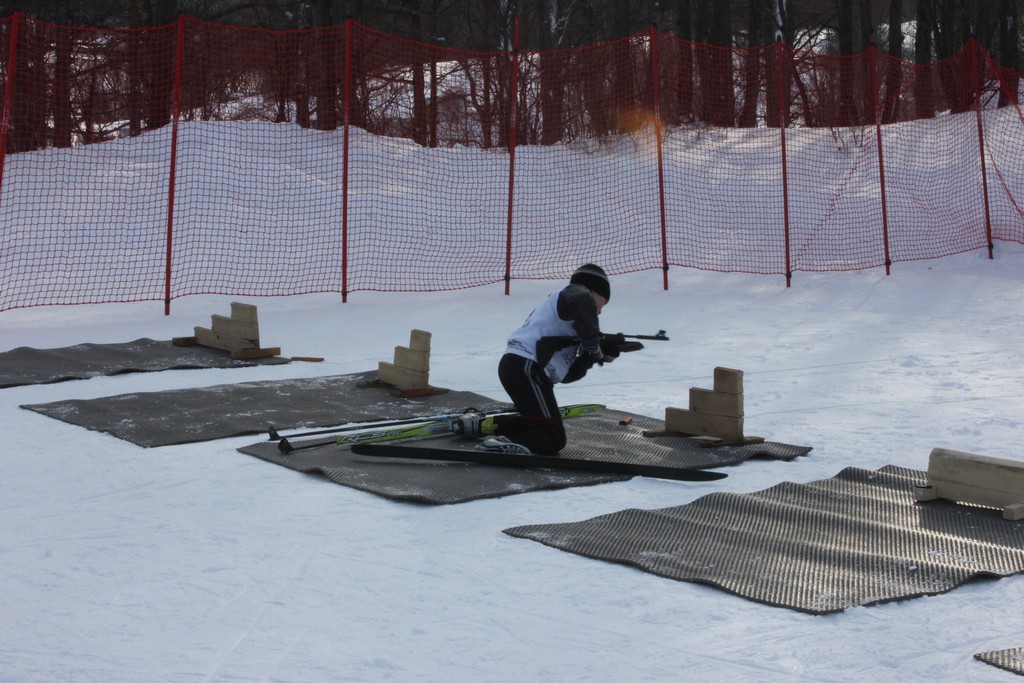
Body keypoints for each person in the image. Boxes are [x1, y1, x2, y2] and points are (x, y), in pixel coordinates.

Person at [456, 264, 618, 455]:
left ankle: (480, 426)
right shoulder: (575, 293)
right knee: (552, 437)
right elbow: (582, 301)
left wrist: (590, 357)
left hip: (521, 367)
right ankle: (497, 447)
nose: (600, 311)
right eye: (603, 303)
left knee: (536, 424)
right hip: (526, 367)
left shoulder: (569, 319)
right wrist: (593, 344)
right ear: (593, 290)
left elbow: (567, 375)